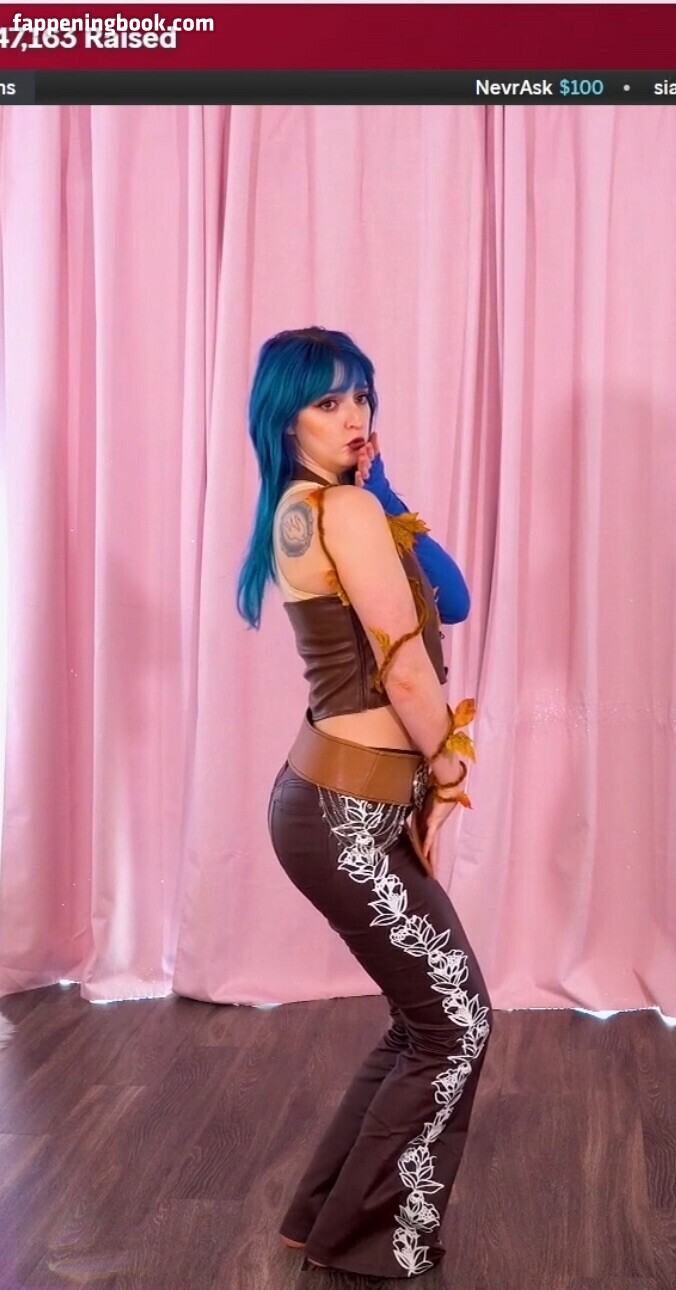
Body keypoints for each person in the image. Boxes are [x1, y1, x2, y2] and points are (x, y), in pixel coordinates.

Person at [236, 326, 493, 1280]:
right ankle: (362, 1242)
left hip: (332, 802)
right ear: (284, 417)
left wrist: (383, 486)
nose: (354, 416)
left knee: (425, 1018)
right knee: (454, 1023)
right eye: (328, 401)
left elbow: (450, 598)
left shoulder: (309, 508)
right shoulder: (337, 511)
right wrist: (452, 774)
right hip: (346, 814)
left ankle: (319, 1217)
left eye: (361, 397)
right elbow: (407, 668)